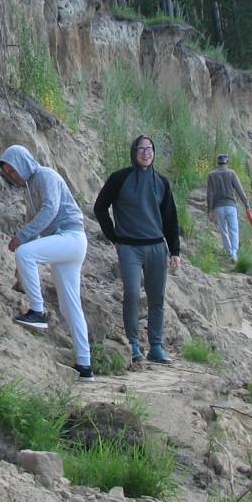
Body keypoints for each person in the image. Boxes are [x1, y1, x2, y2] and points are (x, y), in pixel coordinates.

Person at [0, 145, 95, 381]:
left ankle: (37, 312)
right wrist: (22, 262)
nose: (14, 176)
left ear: (23, 162)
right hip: (64, 242)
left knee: (25, 254)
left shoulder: (45, 175)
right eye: (9, 174)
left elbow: (50, 209)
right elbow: (33, 223)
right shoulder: (29, 190)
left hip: (70, 236)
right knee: (69, 305)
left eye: (14, 170)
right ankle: (85, 366)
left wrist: (20, 240)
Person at [94, 135, 181, 364]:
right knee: (132, 293)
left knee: (157, 298)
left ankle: (156, 346)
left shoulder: (161, 181)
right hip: (129, 246)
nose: (145, 153)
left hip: (156, 246)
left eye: (149, 149)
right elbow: (100, 207)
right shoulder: (120, 178)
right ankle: (133, 343)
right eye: (141, 149)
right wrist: (113, 237)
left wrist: (175, 252)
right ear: (134, 152)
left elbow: (170, 218)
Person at [205, 154, 251, 260]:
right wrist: (246, 204)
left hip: (218, 207)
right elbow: (240, 190)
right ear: (227, 162)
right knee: (234, 230)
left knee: (223, 231)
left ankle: (229, 252)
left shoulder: (211, 175)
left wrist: (210, 209)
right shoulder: (231, 173)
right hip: (231, 206)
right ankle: (234, 253)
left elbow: (210, 194)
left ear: (218, 163)